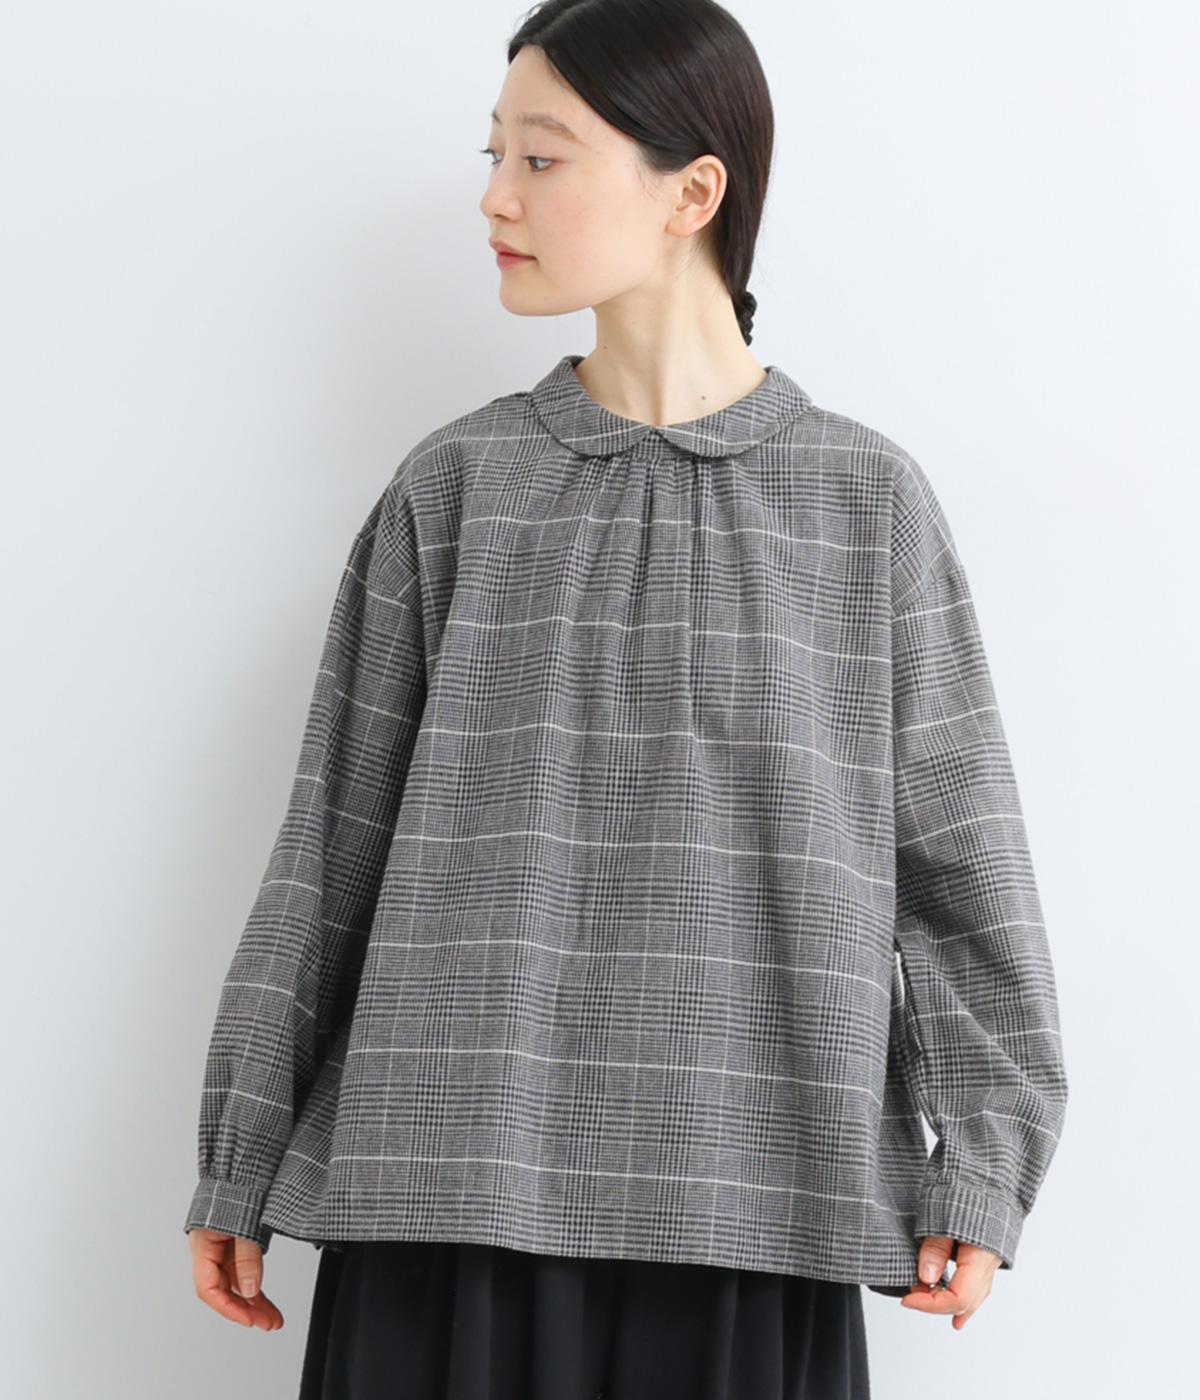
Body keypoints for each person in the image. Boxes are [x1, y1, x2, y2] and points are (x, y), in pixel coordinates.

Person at [185, 2, 1069, 1396]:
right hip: (439, 1199)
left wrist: (986, 1160)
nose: (495, 198)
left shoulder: (865, 505)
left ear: (692, 191)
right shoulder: (455, 489)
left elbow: (960, 869)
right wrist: (240, 1151)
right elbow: (329, 849)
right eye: (495, 156)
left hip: (756, 1198)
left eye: (541, 158)